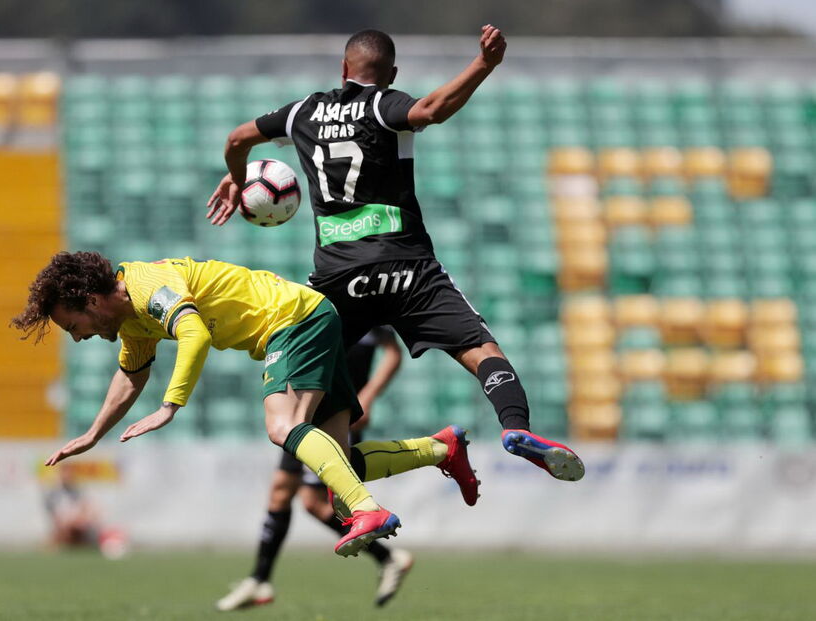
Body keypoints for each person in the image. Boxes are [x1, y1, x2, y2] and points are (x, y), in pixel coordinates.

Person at [208, 25, 585, 482]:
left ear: (343, 68)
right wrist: (484, 64)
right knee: (482, 351)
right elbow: (431, 109)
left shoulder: (301, 112)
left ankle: (352, 502)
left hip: (337, 277)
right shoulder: (386, 104)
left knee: (301, 413)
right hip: (409, 266)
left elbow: (235, 139)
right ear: (391, 74)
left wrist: (236, 176)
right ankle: (516, 428)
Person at [12, 251, 479, 558]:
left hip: (292, 321)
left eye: (72, 324)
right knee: (340, 462)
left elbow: (192, 330)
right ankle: (442, 449)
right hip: (310, 318)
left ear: (90, 301)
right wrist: (94, 434)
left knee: (282, 427)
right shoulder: (132, 323)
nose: (78, 336)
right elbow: (130, 376)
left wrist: (171, 405)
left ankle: (367, 510)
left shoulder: (147, 285)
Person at [217, 328, 414, 611]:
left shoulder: (364, 307)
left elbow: (393, 352)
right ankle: (259, 580)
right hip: (304, 414)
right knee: (282, 493)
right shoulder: (318, 304)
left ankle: (388, 557)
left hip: (337, 417)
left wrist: (367, 397)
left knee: (313, 501)